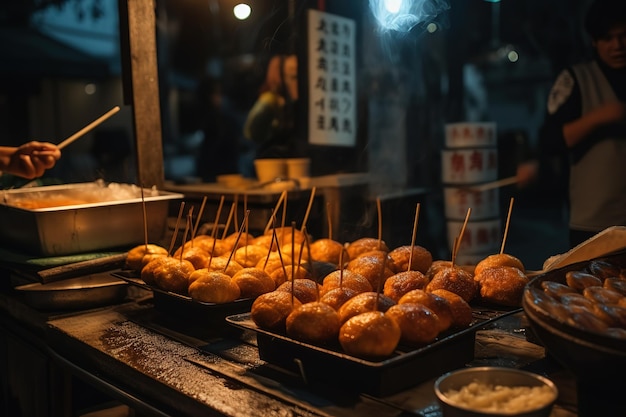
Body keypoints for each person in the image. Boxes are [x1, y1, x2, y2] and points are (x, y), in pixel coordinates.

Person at [518, 0, 626, 248]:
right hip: (595, 221)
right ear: (594, 42)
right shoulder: (577, 79)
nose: (618, 45)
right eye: (608, 38)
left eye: (623, 36)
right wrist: (601, 116)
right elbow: (551, 140)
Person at [243, 54, 298, 159]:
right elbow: (251, 133)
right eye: (293, 77)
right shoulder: (270, 100)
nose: (297, 82)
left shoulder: (291, 103)